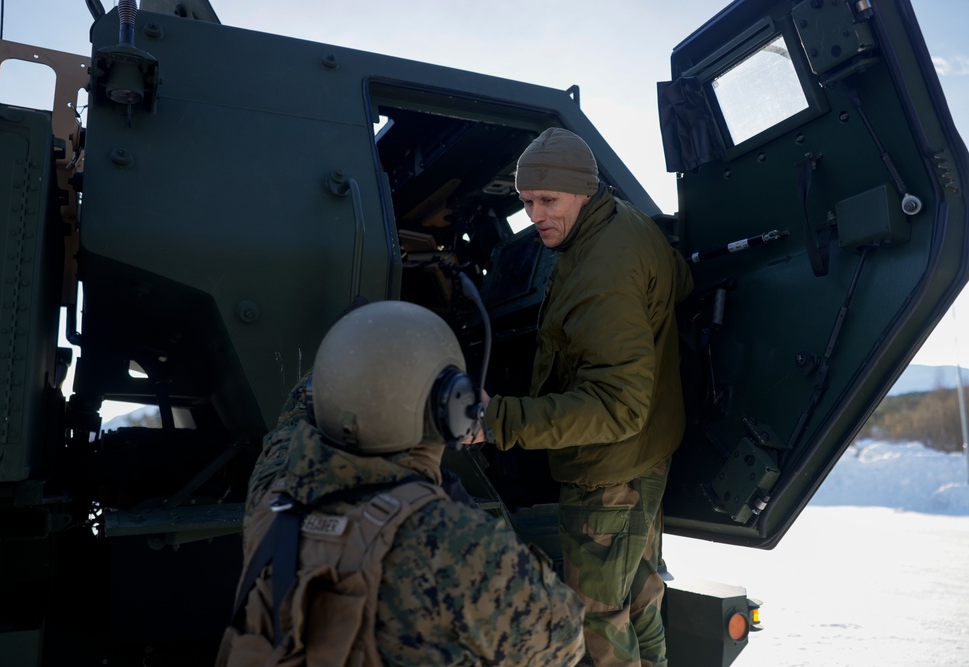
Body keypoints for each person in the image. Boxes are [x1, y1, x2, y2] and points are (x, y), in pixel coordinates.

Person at [216, 299, 586, 667]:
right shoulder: (452, 541)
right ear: (452, 408)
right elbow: (564, 639)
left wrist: (352, 350)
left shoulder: (274, 485)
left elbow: (299, 418)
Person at [473, 128, 694, 667]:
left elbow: (616, 406)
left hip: (608, 469)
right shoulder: (622, 228)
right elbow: (681, 281)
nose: (536, 215)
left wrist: (495, 418)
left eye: (548, 200)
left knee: (595, 617)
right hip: (642, 454)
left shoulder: (602, 267)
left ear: (583, 192)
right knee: (638, 596)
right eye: (527, 203)